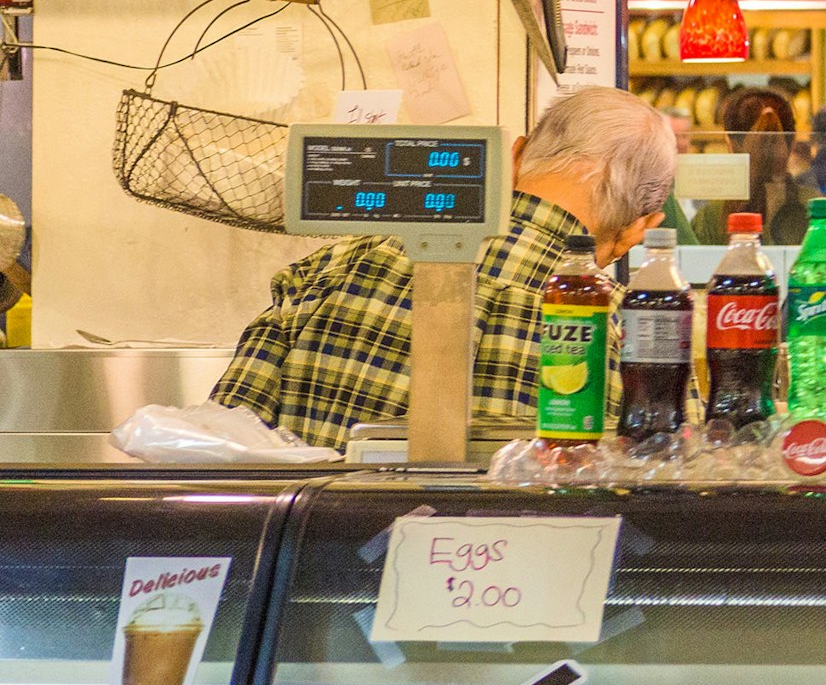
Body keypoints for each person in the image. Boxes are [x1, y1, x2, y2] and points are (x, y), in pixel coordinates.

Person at [216, 88, 681, 451]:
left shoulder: (325, 272)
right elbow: (681, 477)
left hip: (324, 564)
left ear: (515, 157)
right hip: (516, 565)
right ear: (642, 227)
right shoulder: (635, 328)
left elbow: (221, 445)